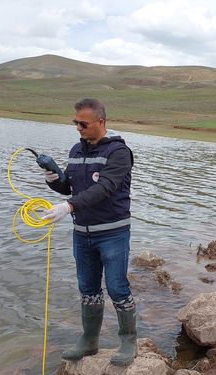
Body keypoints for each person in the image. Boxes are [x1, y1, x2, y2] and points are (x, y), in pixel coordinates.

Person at [41, 98, 137, 366]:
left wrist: (68, 206)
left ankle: (129, 340)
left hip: (113, 233)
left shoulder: (119, 153)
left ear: (101, 122)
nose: (78, 128)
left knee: (117, 288)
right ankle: (89, 341)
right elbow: (69, 187)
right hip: (82, 234)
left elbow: (104, 188)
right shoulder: (76, 150)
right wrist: (54, 179)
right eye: (75, 123)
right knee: (87, 289)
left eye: (83, 124)